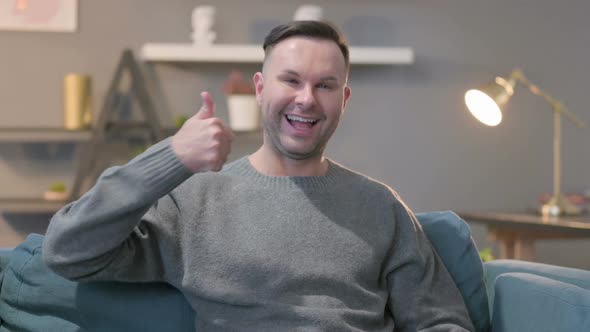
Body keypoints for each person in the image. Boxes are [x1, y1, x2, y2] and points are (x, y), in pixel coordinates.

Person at [43, 21, 474, 331]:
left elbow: (442, 321)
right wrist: (171, 157)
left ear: (344, 99)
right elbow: (67, 251)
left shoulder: (381, 206)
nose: (306, 99)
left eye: (325, 86)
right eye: (291, 80)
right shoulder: (195, 201)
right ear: (260, 87)